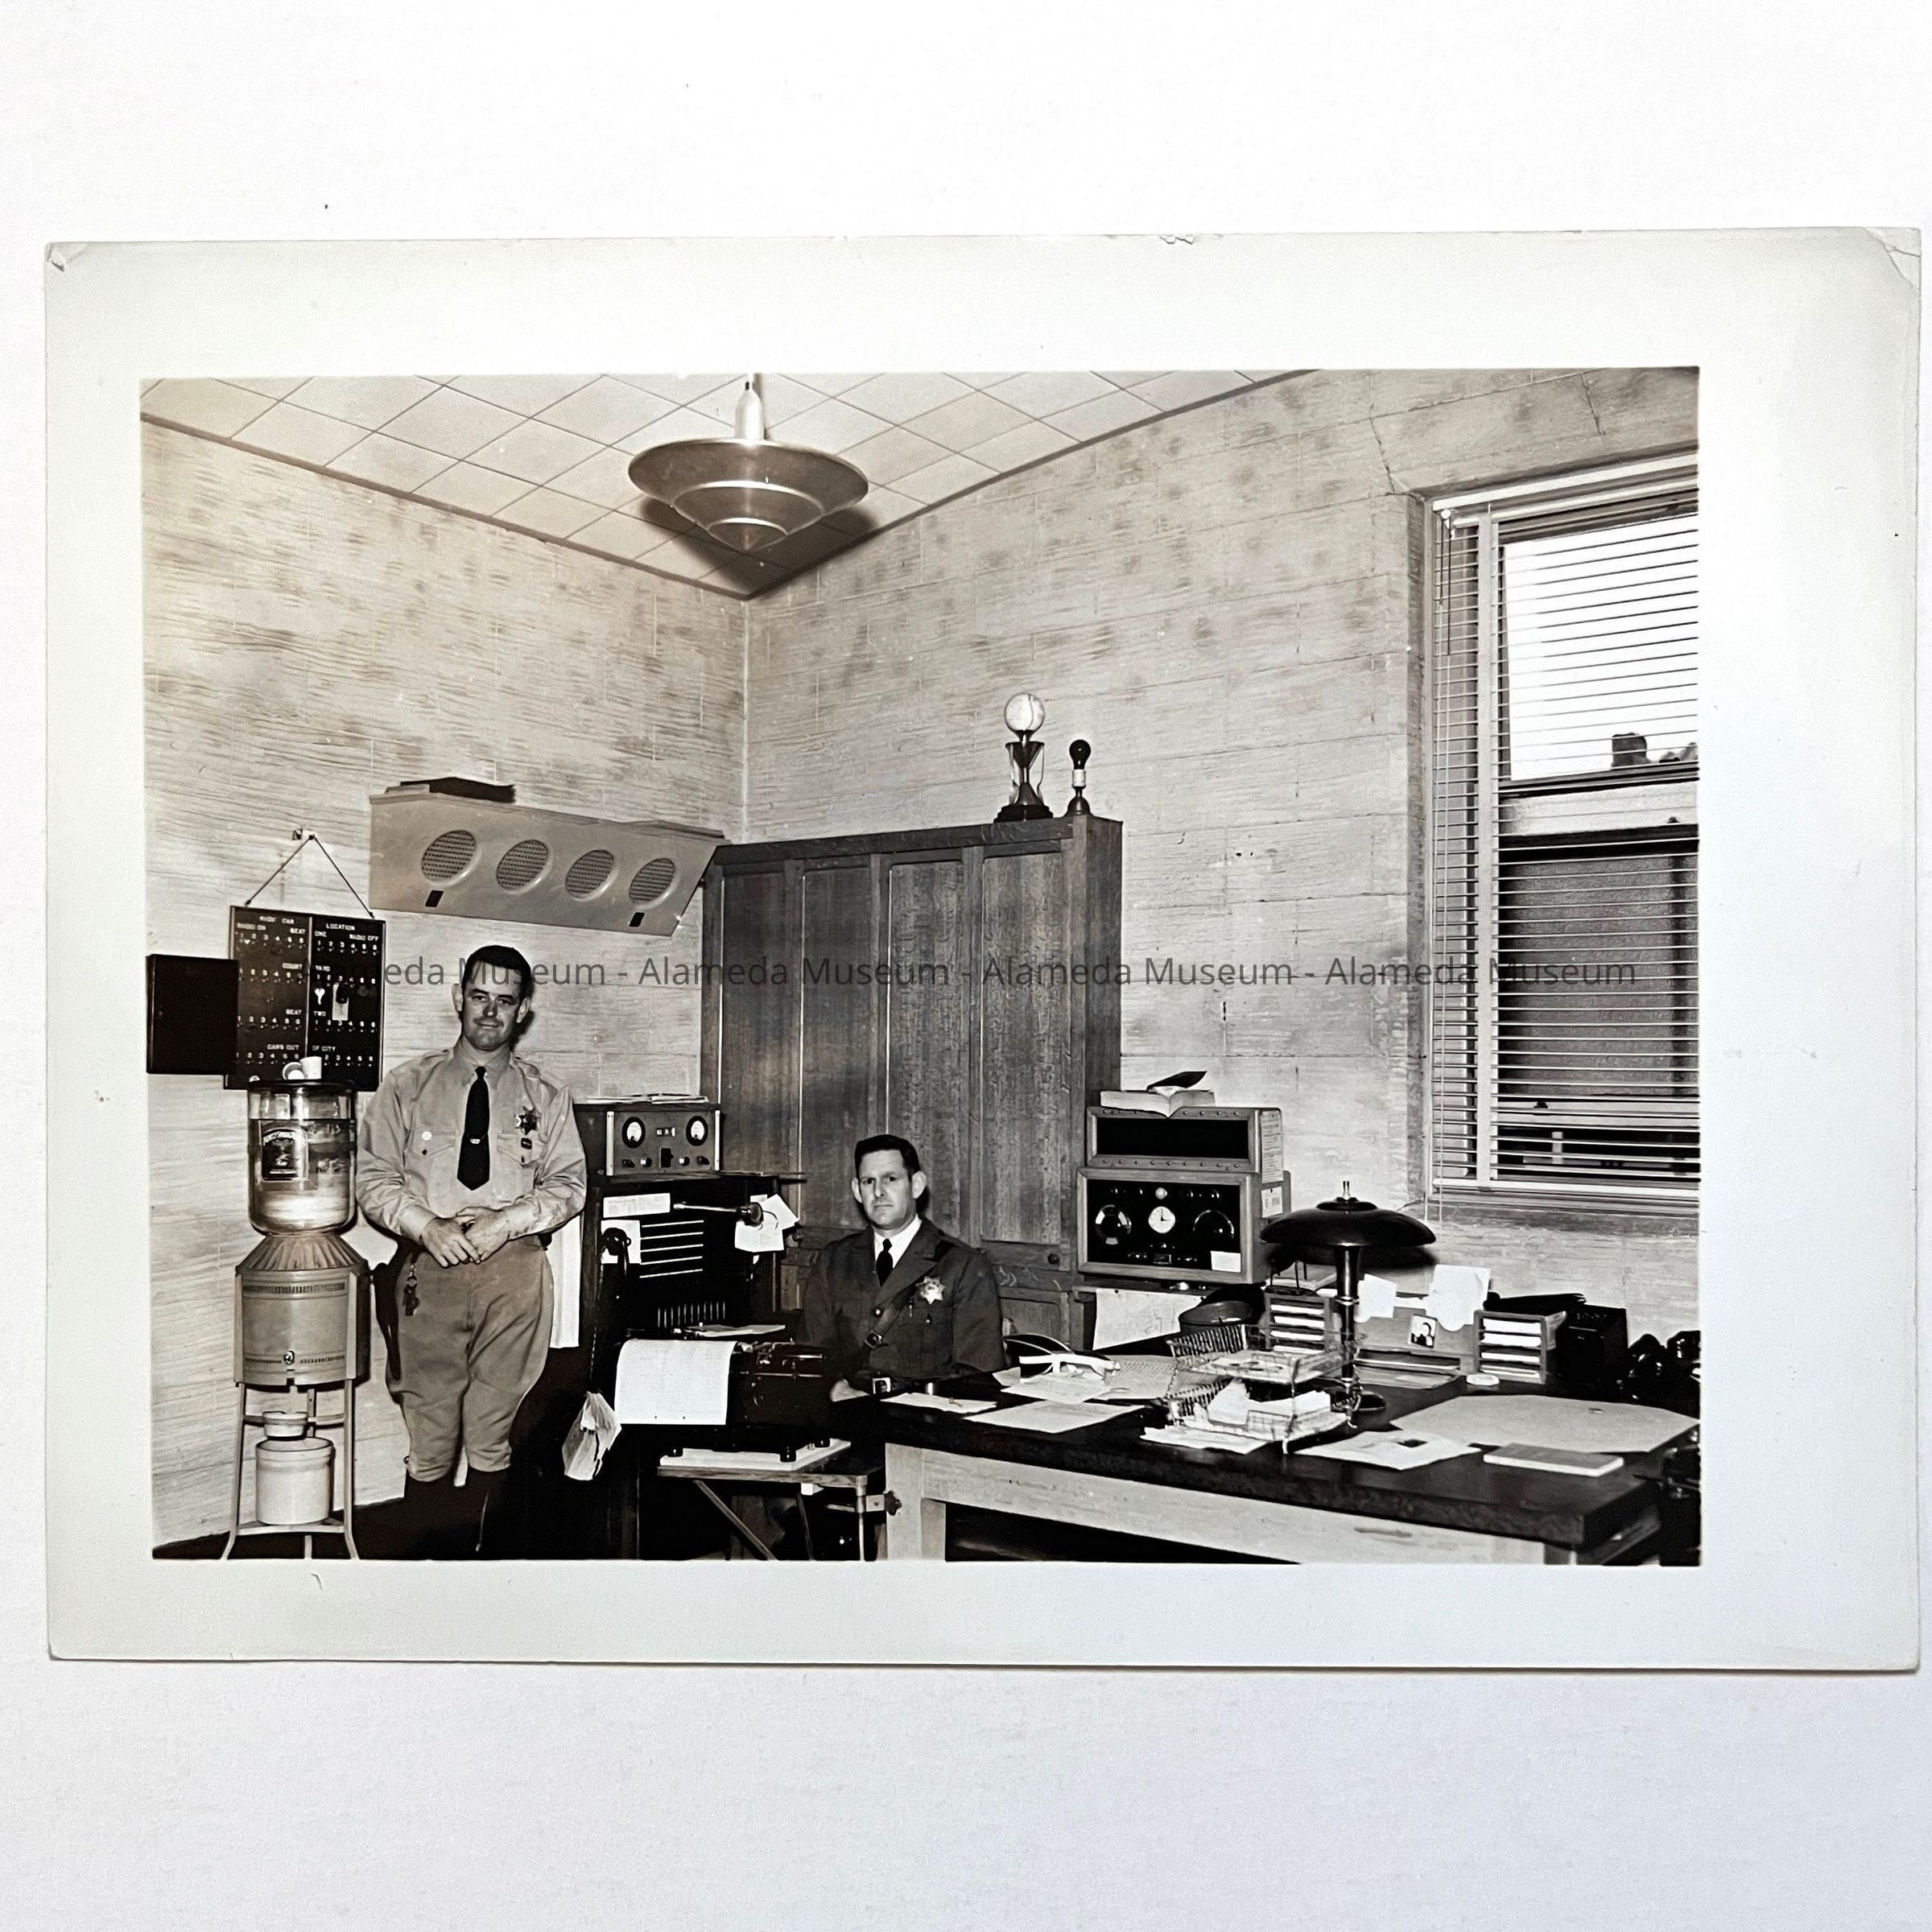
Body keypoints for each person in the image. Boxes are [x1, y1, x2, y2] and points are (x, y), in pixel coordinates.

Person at [357, 944, 586, 1555]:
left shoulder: (547, 1094)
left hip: (513, 1275)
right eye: (479, 996)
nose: (490, 1011)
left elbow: (570, 1185)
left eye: (505, 1001)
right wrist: (426, 1226)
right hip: (430, 1271)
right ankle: (424, 1571)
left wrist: (506, 1222)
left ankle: (490, 1572)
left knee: (494, 1428)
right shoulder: (407, 1086)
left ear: (523, 1010)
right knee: (430, 1430)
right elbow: (372, 1178)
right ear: (459, 997)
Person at [797, 1134, 1004, 1387]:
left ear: (916, 1185)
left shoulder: (963, 1266)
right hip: (847, 1407)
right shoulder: (834, 1261)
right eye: (868, 1181)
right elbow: (809, 1356)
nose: (878, 1192)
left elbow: (979, 1375)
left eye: (891, 1179)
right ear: (857, 1191)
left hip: (927, 1410)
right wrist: (836, 1390)